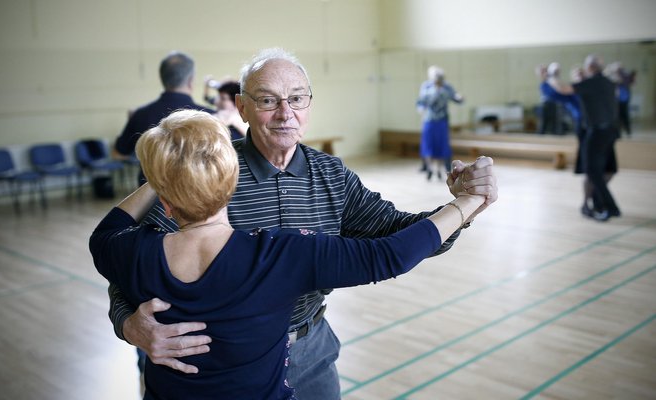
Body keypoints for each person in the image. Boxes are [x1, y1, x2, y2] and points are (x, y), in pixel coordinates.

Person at [107, 47, 498, 399]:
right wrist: (130, 326)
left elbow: (399, 235)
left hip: (310, 351)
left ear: (309, 103)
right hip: (213, 361)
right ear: (241, 108)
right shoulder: (209, 171)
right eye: (267, 101)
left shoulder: (330, 174)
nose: (285, 113)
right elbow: (134, 260)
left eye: (296, 98)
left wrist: (461, 208)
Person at [113, 51, 214, 185]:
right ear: (190, 81)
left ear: (163, 79)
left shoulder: (141, 114)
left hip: (150, 196)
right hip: (196, 192)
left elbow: (118, 153)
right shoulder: (210, 117)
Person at [573, 55, 621, 221]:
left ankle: (599, 202)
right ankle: (588, 204)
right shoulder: (584, 88)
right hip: (588, 133)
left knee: (605, 171)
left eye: (582, 71)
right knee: (591, 173)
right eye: (577, 74)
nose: (580, 75)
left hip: (602, 133)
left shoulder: (596, 85)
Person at [416, 65, 464, 181]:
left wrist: (460, 98)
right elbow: (421, 101)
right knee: (428, 145)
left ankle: (443, 170)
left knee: (442, 146)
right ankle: (429, 169)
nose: (437, 79)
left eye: (439, 76)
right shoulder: (426, 86)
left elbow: (456, 98)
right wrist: (421, 108)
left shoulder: (447, 87)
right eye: (435, 76)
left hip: (442, 121)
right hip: (429, 120)